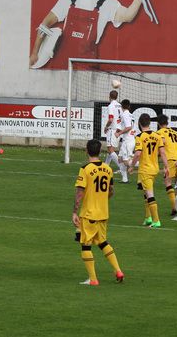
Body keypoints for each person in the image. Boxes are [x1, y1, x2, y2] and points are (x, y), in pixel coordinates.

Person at [72, 139, 124, 286]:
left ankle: (93, 279)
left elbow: (79, 192)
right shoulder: (108, 169)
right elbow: (111, 191)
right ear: (100, 151)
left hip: (89, 214)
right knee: (103, 242)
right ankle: (118, 271)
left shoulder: (85, 169)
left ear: (86, 151)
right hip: (103, 213)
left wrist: (75, 212)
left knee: (85, 245)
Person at [128, 113, 170, 228]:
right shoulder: (157, 136)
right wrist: (166, 166)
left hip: (145, 169)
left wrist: (132, 166)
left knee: (150, 194)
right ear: (150, 123)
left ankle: (156, 221)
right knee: (146, 193)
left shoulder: (140, 137)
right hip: (154, 168)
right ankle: (148, 218)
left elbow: (138, 153)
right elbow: (162, 152)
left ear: (140, 123)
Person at [156, 114, 177, 216]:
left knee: (168, 182)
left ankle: (174, 207)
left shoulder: (159, 133)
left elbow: (162, 142)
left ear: (158, 123)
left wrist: (158, 153)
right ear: (167, 123)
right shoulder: (175, 132)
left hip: (170, 159)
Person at [103, 90, 127, 181]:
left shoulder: (111, 106)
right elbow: (122, 118)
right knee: (110, 150)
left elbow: (110, 119)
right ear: (117, 97)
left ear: (109, 96)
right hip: (118, 129)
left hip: (112, 129)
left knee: (110, 149)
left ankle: (122, 168)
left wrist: (106, 127)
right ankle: (105, 167)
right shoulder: (120, 106)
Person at [114, 99, 135, 183]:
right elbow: (128, 127)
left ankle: (143, 164)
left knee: (126, 161)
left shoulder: (125, 115)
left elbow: (128, 127)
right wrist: (118, 131)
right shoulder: (131, 115)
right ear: (129, 106)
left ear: (121, 106)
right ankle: (124, 179)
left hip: (127, 141)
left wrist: (119, 133)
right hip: (129, 139)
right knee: (120, 159)